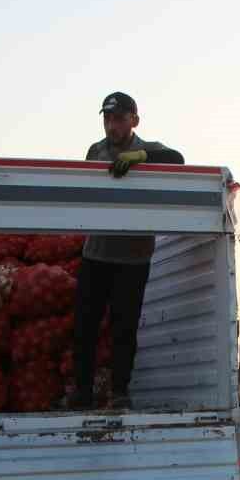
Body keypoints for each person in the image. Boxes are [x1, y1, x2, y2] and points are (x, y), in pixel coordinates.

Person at [69, 92, 185, 410]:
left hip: (133, 258)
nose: (111, 125)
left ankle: (120, 392)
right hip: (96, 253)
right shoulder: (95, 151)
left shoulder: (147, 149)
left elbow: (178, 159)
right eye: (107, 119)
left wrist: (141, 158)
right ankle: (82, 392)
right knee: (85, 326)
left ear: (134, 120)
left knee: (124, 327)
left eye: (118, 118)